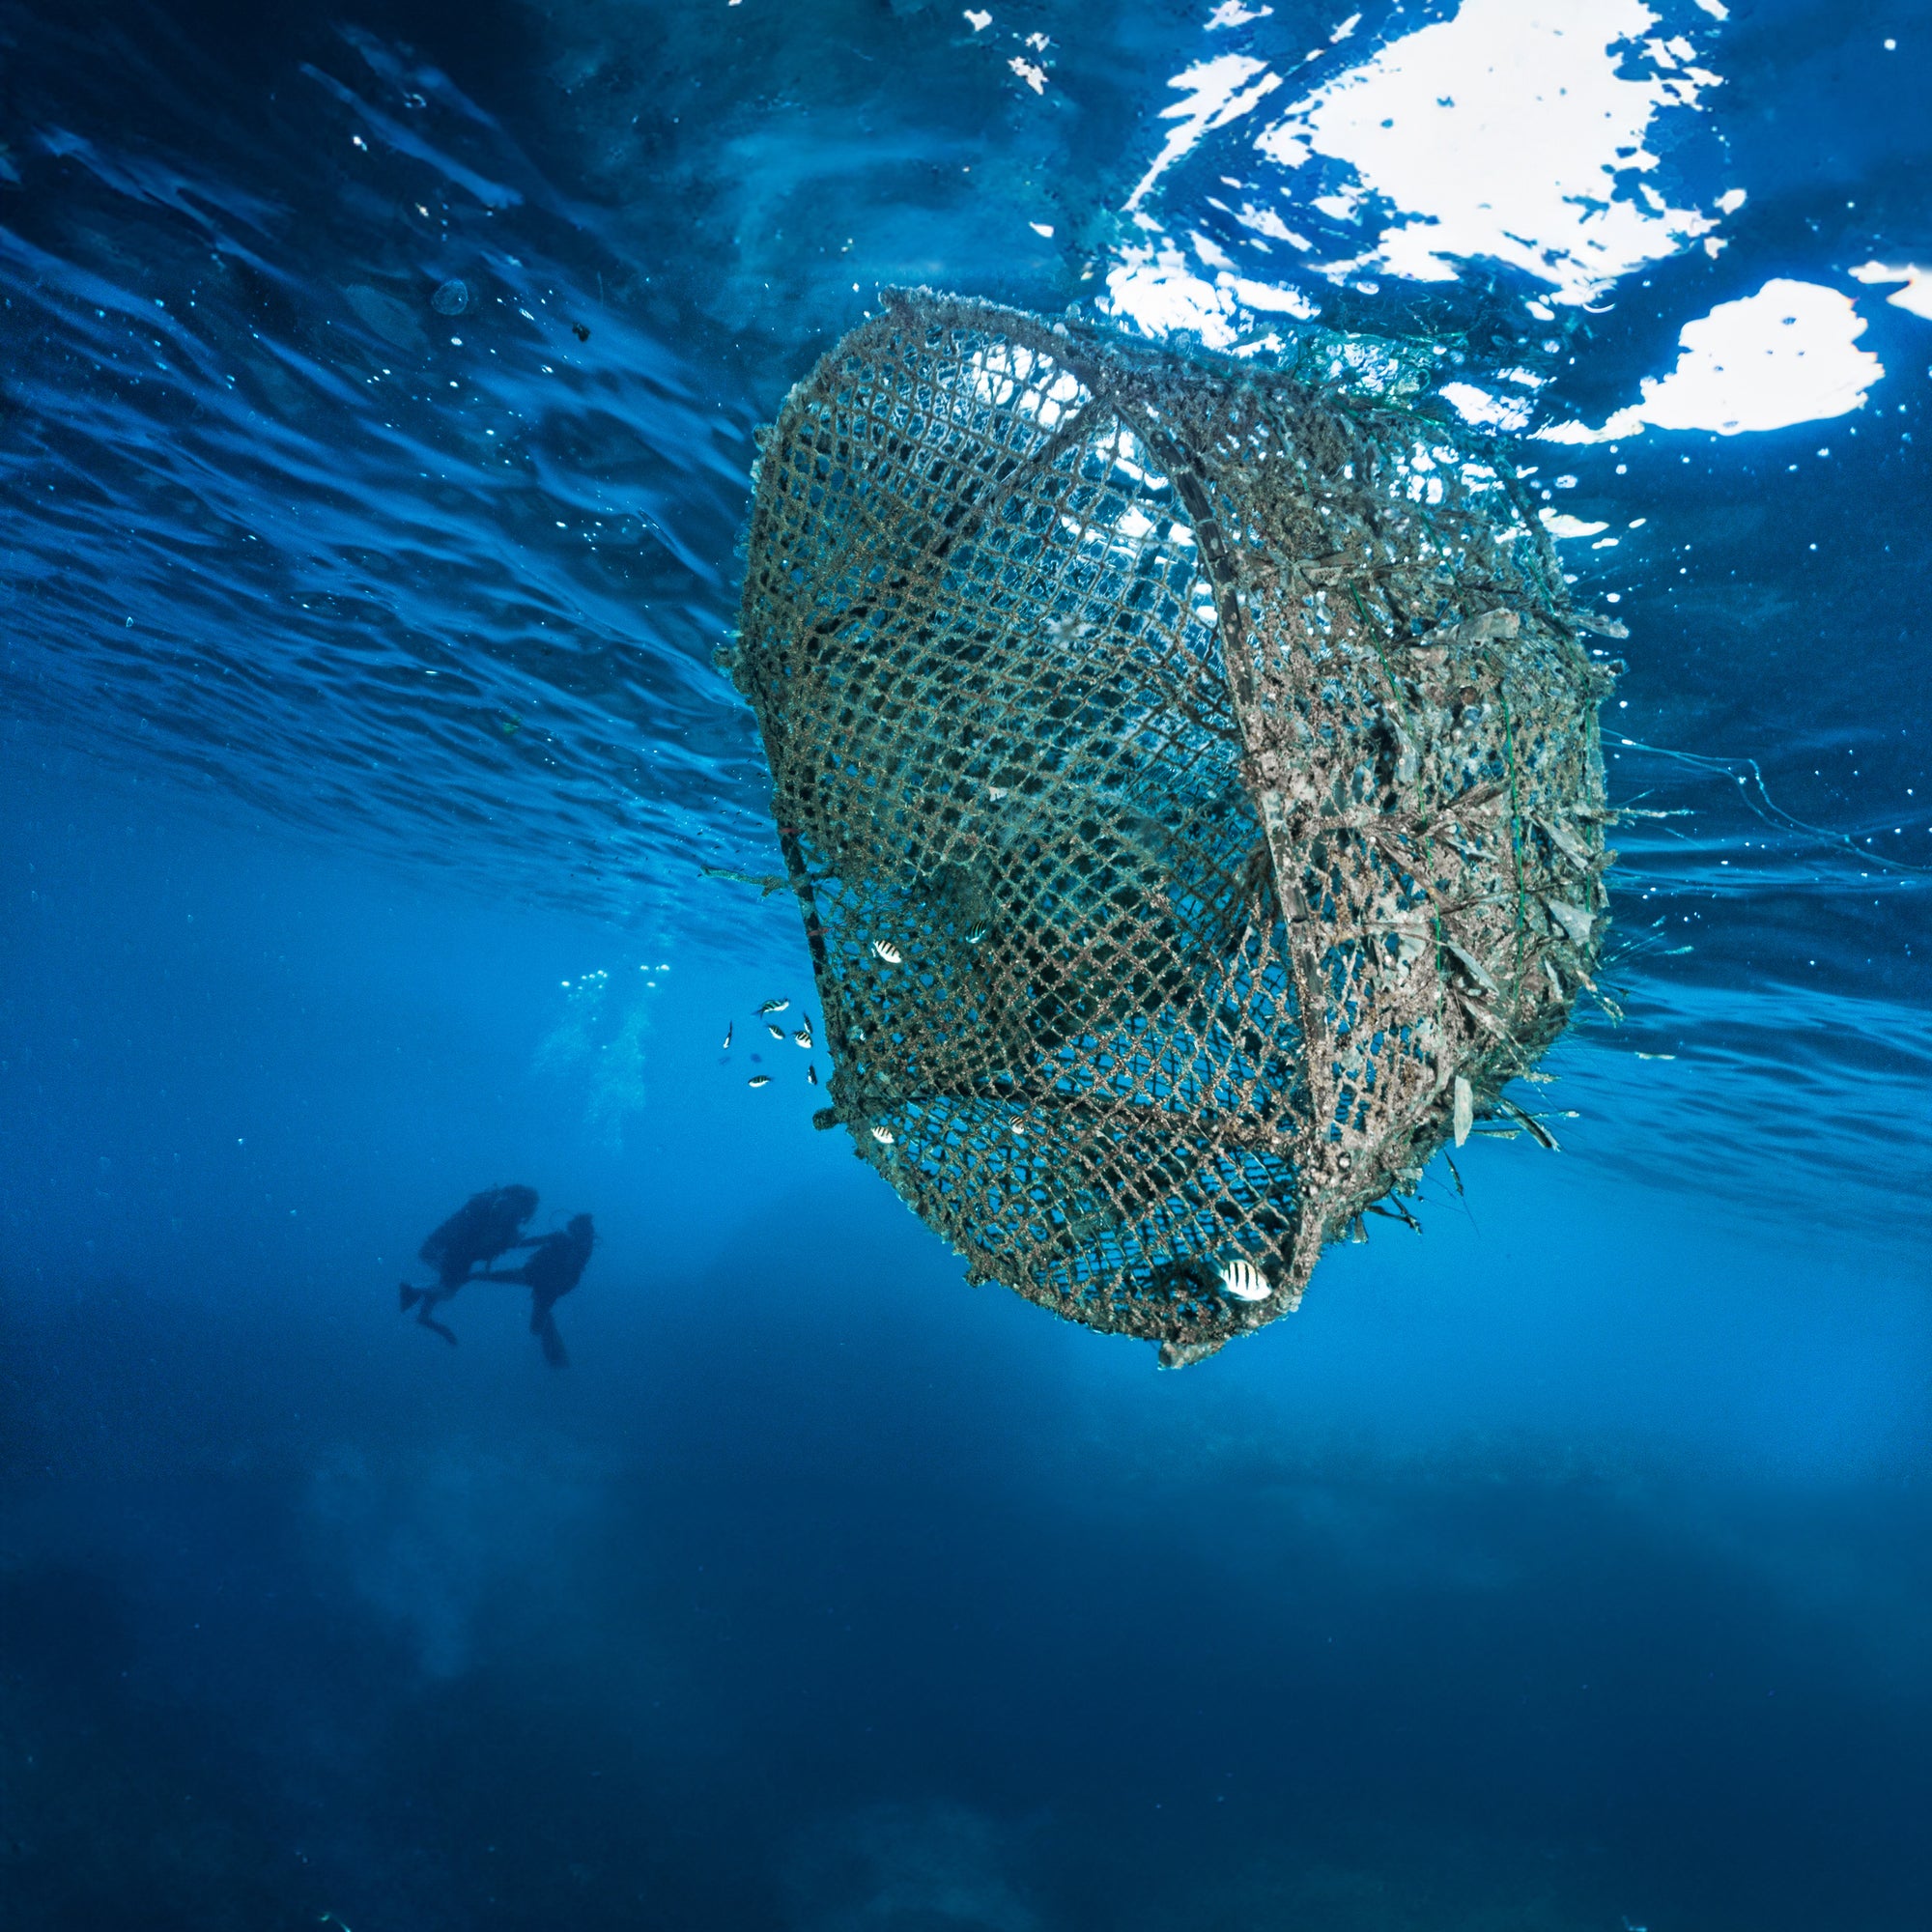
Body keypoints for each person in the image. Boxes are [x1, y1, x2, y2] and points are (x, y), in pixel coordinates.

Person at [399, 1184, 538, 1345]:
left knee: (445, 1287)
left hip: (461, 1253)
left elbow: (487, 1238)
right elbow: (465, 1232)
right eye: (522, 1207)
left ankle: (423, 1314)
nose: (521, 1214)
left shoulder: (499, 1212)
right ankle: (411, 1289)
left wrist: (506, 1240)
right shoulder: (489, 1207)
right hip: (454, 1250)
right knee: (447, 1290)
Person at [488, 1213, 595, 1368]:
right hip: (547, 1282)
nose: (570, 1226)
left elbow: (530, 1242)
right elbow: (532, 1243)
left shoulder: (567, 1241)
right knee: (537, 1325)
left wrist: (508, 1244)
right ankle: (557, 1358)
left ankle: (557, 1357)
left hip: (543, 1282)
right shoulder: (579, 1245)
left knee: (536, 1327)